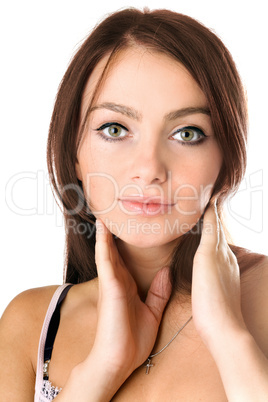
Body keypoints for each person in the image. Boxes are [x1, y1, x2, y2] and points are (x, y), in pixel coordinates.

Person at [1, 7, 267, 401]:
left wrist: (230, 338)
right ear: (73, 151)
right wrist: (101, 370)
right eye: (115, 129)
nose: (149, 169)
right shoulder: (30, 323)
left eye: (187, 132)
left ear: (227, 156)